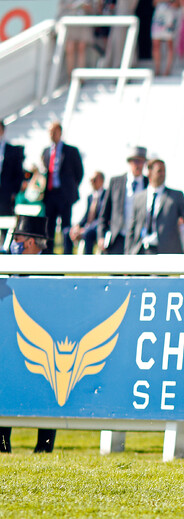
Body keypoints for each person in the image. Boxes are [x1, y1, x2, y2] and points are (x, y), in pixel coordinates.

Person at [0, 215, 57, 455]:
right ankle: (3, 447)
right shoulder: (7, 265)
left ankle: (44, 449)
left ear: (32, 242)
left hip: (43, 346)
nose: (13, 244)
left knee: (47, 393)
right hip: (9, 342)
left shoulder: (55, 268)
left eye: (18, 239)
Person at [126, 158, 184, 254]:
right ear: (149, 172)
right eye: (159, 171)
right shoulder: (138, 198)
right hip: (142, 250)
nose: (163, 174)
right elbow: (132, 229)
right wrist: (128, 252)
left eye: (164, 171)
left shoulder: (175, 196)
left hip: (166, 251)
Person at [41, 121, 84, 254]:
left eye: (54, 131)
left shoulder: (70, 151)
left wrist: (70, 188)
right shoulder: (46, 152)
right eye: (50, 132)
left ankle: (67, 254)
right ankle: (48, 254)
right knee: (49, 227)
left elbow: (79, 172)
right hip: (50, 194)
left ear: (60, 132)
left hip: (64, 194)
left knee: (66, 227)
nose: (52, 134)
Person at [98, 146, 149, 254]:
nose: (138, 165)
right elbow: (104, 213)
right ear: (130, 162)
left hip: (139, 239)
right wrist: (101, 236)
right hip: (117, 237)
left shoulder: (148, 184)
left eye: (141, 161)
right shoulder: (116, 182)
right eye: (135, 161)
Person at [56, 0, 96, 76]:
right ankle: (70, 77)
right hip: (70, 22)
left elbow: (94, 9)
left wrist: (86, 7)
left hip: (83, 22)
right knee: (70, 49)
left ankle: (80, 78)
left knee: (81, 48)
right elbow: (61, 7)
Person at [68, 171, 106, 254]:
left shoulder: (106, 195)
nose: (92, 182)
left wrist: (85, 229)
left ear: (101, 180)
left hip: (98, 227)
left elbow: (102, 217)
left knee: (88, 233)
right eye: (91, 180)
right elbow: (86, 216)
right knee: (67, 232)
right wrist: (77, 226)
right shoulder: (90, 197)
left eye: (94, 179)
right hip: (87, 226)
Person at [0, 120, 25, 218]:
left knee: (5, 220)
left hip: (6, 192)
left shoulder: (13, 151)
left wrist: (14, 191)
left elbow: (18, 173)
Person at [151, 0, 179, 76]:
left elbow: (178, 4)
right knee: (155, 43)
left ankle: (167, 69)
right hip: (159, 17)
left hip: (169, 17)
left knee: (169, 44)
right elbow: (154, 2)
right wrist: (167, 0)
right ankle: (157, 68)